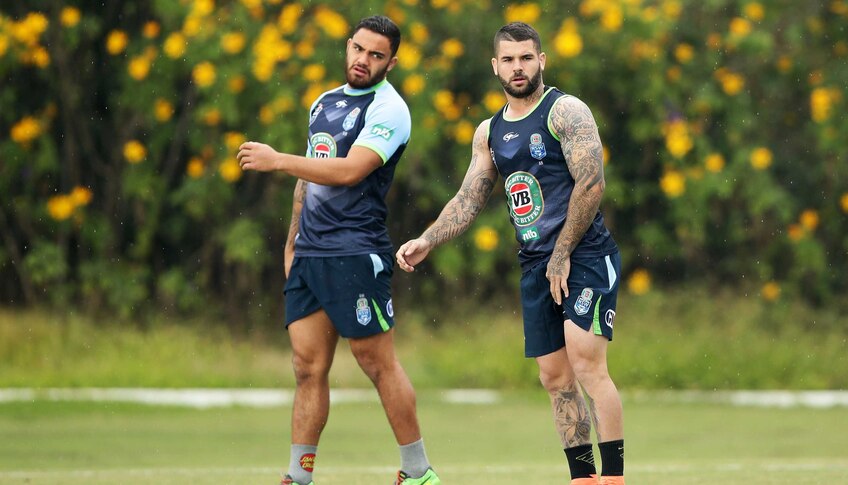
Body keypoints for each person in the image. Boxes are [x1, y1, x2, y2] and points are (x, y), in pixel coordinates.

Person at [396, 22, 625, 485]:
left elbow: (592, 182)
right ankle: (583, 479)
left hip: (583, 252)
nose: (517, 67)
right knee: (555, 378)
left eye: (526, 57)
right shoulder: (489, 131)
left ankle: (615, 479)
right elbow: (469, 196)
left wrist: (563, 252)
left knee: (585, 361)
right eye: (508, 59)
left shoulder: (566, 111)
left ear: (542, 60)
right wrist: (428, 239)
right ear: (495, 66)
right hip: (536, 263)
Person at [237, 15, 440, 485]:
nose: (364, 61)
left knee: (376, 363)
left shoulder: (390, 110)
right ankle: (298, 477)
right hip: (311, 254)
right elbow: (311, 178)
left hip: (356, 251)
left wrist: (277, 160)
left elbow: (350, 171)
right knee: (307, 367)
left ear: (392, 61)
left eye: (376, 55)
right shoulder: (323, 103)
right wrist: (292, 243)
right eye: (359, 49)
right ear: (347, 46)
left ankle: (418, 473)